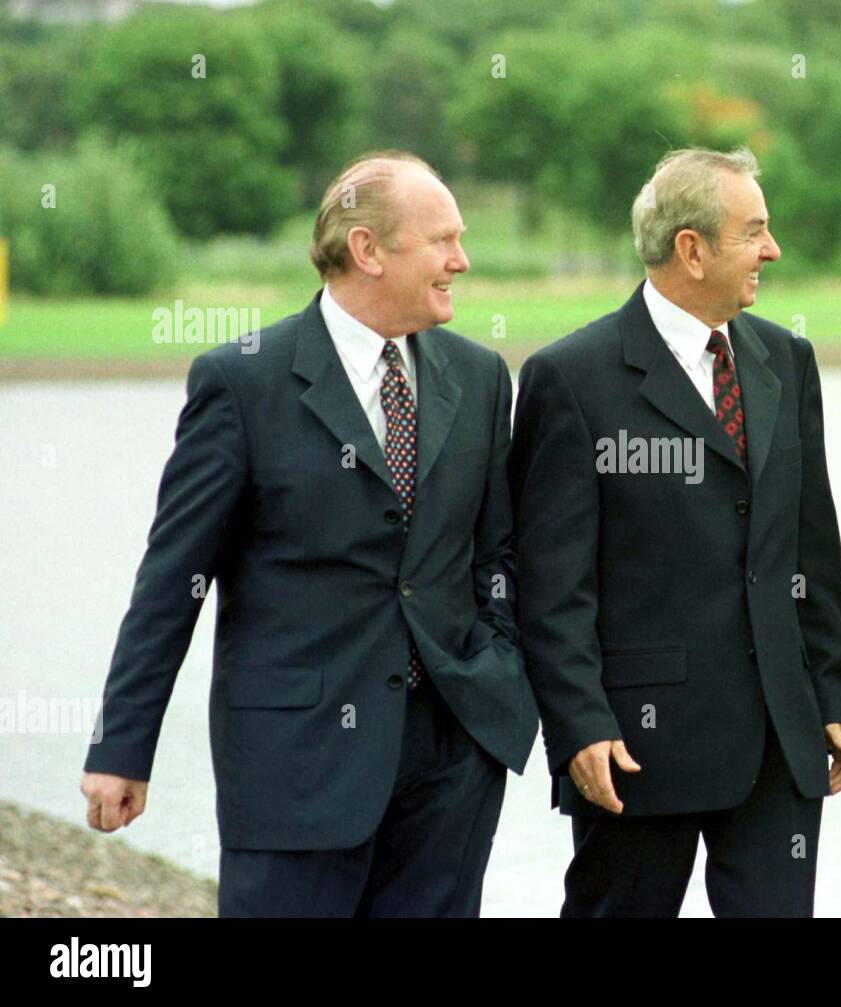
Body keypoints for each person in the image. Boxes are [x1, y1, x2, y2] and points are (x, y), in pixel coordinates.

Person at [80, 150, 537, 917]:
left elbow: (497, 554)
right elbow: (172, 578)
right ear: (368, 250)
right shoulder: (243, 382)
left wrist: (495, 672)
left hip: (450, 764)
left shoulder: (483, 376)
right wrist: (123, 745)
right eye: (442, 241)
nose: (461, 260)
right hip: (294, 764)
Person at [509, 146, 841, 917]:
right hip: (639, 748)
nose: (772, 250)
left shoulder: (785, 358)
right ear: (691, 249)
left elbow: (811, 545)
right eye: (755, 232)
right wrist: (579, 726)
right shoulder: (571, 377)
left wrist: (835, 692)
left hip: (781, 737)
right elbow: (551, 584)